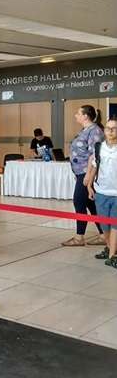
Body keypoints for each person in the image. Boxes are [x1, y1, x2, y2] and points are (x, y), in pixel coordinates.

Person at [62, 105, 105, 247]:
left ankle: (79, 237)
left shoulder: (94, 131)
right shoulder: (85, 130)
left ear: (85, 116)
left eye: (78, 113)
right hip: (81, 173)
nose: (76, 116)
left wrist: (87, 175)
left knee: (79, 202)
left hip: (88, 173)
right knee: (90, 204)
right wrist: (77, 172)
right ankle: (104, 235)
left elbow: (94, 155)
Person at [87, 119, 117, 267]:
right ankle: (109, 247)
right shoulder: (99, 147)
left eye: (114, 128)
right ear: (104, 130)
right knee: (104, 225)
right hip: (101, 191)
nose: (111, 131)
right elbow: (95, 166)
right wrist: (89, 185)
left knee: (115, 225)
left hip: (116, 193)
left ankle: (112, 255)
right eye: (108, 128)